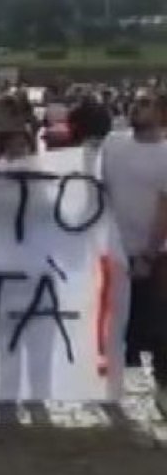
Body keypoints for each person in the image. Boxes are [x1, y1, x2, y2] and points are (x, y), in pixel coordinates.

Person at [100, 91, 167, 415]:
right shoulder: (113, 143)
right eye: (136, 103)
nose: (136, 108)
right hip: (113, 249)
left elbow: (165, 210)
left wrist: (149, 254)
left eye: (145, 104)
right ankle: (109, 383)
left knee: (159, 324)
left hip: (155, 255)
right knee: (112, 321)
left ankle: (163, 385)